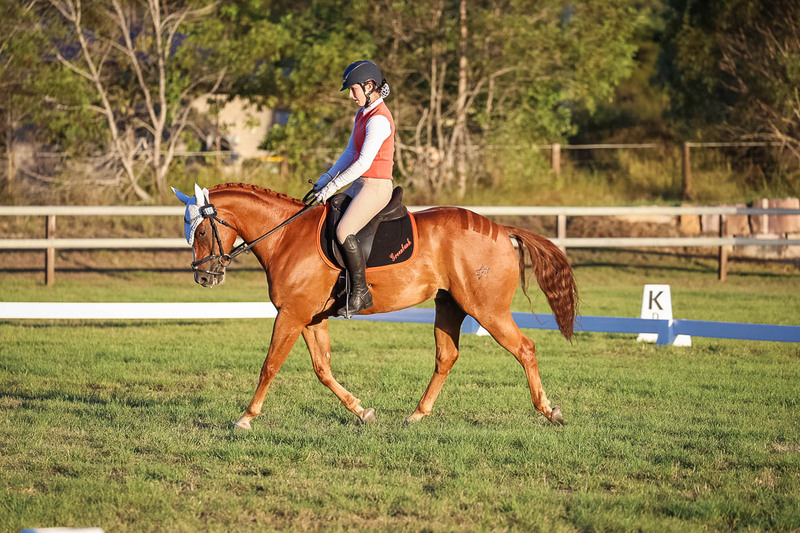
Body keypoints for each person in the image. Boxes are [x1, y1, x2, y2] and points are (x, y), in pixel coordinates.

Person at [310, 60, 395, 318]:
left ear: (369, 86)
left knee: (344, 229)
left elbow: (363, 163)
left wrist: (333, 185)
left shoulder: (379, 120)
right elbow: (350, 152)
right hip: (360, 185)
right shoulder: (362, 114)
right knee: (328, 215)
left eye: (353, 90)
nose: (350, 95)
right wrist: (326, 178)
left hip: (376, 187)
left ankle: (360, 291)